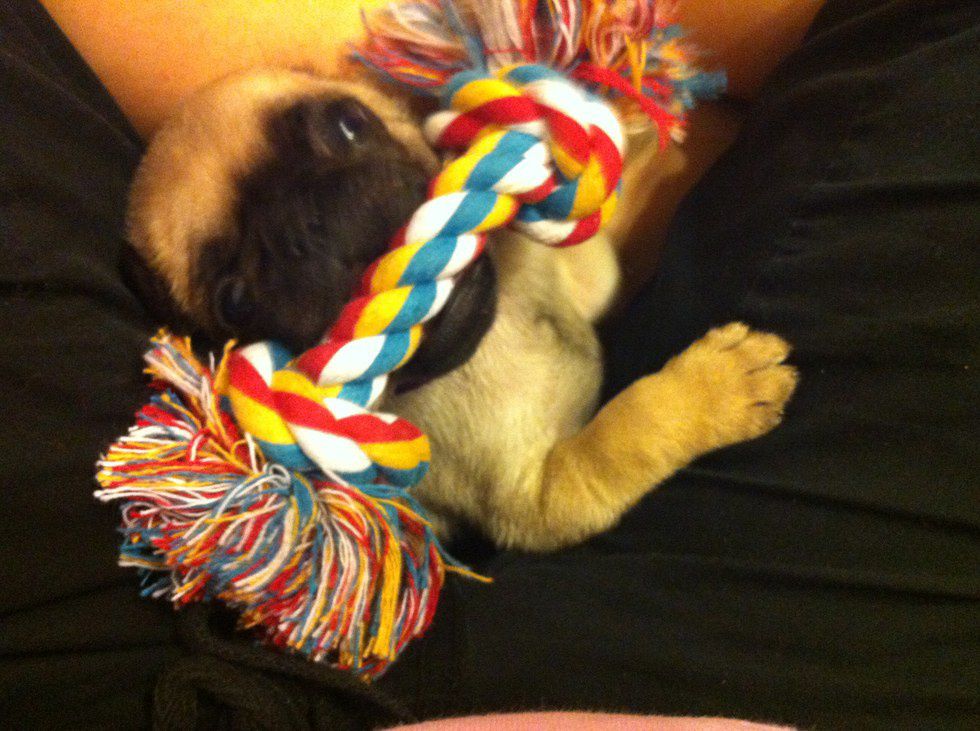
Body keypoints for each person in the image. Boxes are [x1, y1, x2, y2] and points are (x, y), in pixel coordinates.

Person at [1, 0, 977, 727]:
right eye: (237, 288)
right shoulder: (397, 415)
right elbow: (540, 497)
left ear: (379, 101)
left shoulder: (487, 175)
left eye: (337, 131)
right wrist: (678, 407)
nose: (317, 225)